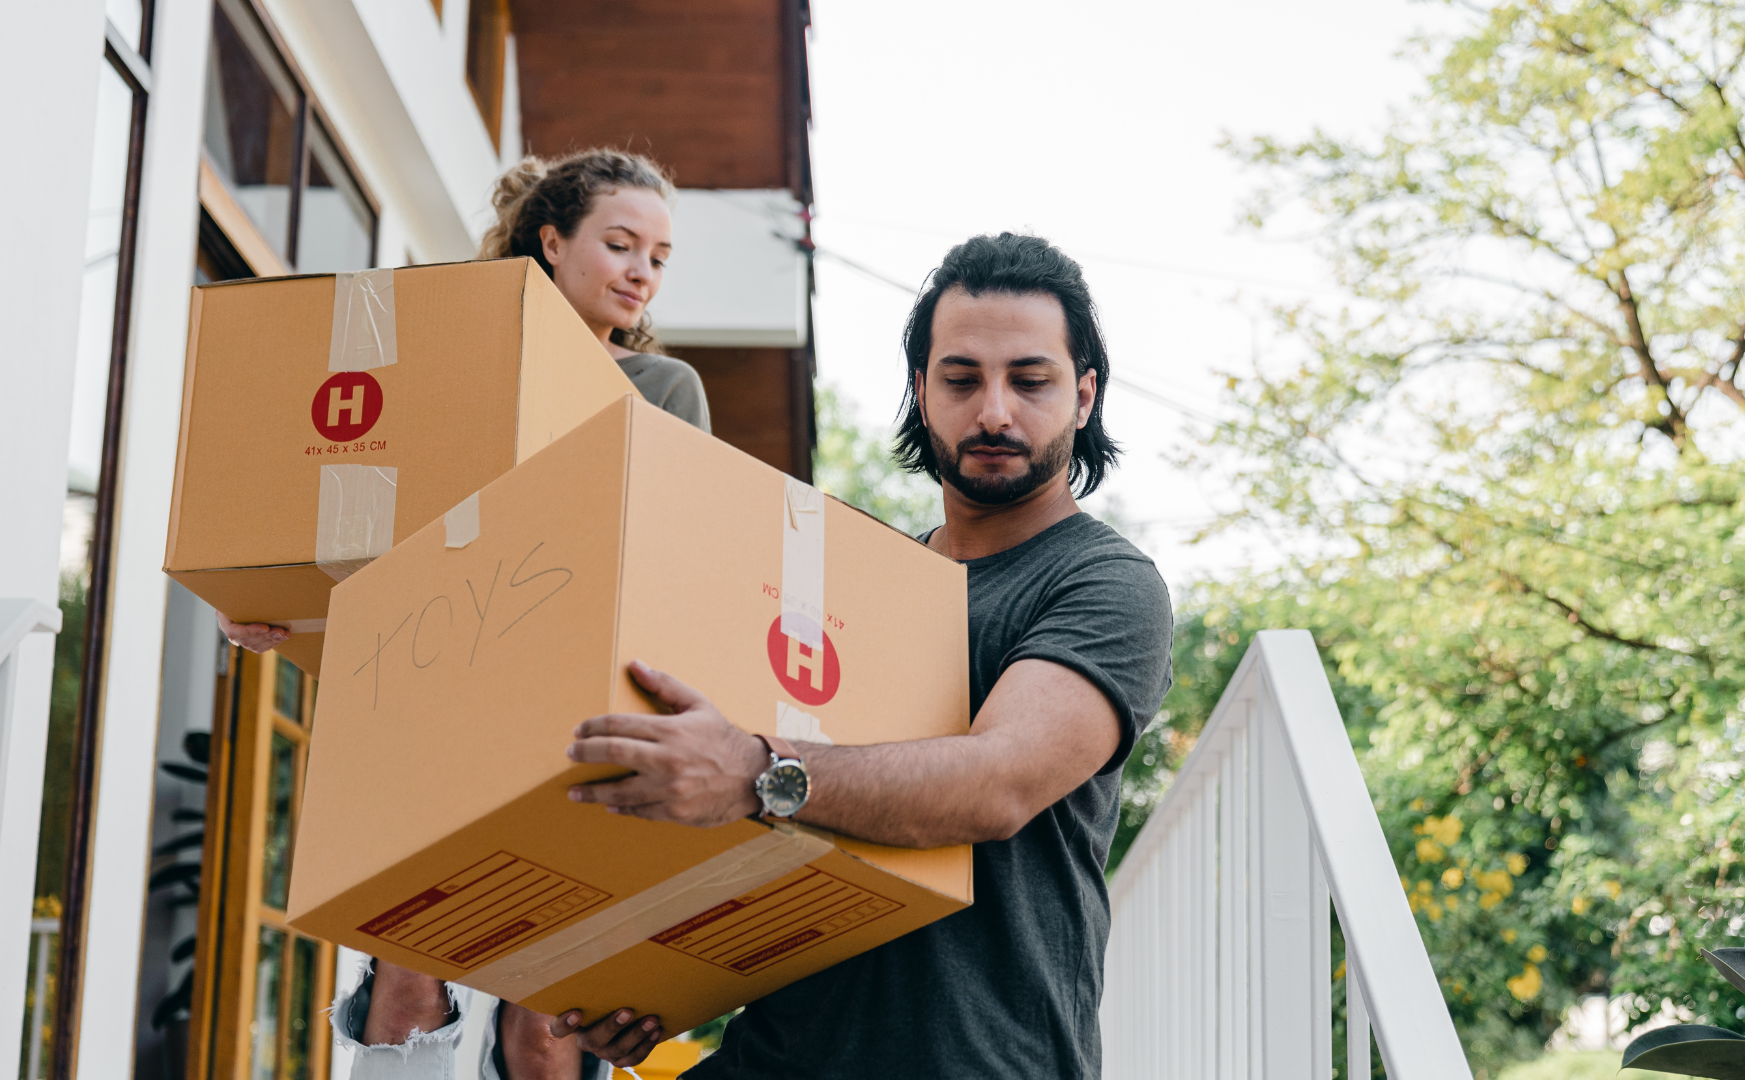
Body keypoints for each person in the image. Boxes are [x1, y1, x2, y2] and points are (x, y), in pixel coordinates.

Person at [542, 232, 1174, 1077]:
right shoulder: (853, 587)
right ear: (920, 391)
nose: (994, 412)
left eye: (1031, 381)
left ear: (1084, 396)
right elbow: (746, 822)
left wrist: (754, 770)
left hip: (975, 1061)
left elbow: (997, 785)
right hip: (776, 1051)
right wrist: (651, 977)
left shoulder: (1107, 583)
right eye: (960, 380)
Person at [216, 149, 712, 1080]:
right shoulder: (448, 376)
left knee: (543, 1027)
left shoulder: (662, 389)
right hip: (433, 706)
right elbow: (371, 533)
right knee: (407, 991)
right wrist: (272, 600)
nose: (642, 271)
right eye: (620, 244)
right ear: (551, 241)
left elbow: (681, 565)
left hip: (577, 719)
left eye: (659, 256)